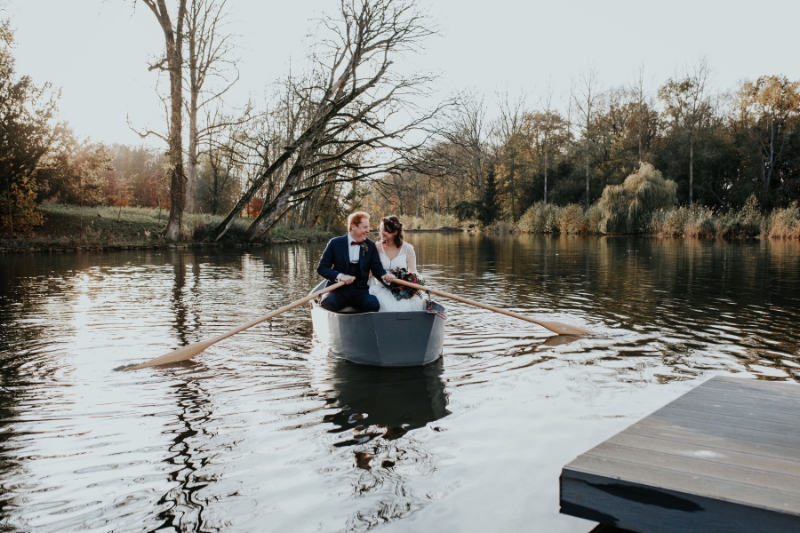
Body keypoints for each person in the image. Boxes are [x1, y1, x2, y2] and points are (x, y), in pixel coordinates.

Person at [317, 212, 396, 313]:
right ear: (353, 226)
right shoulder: (335, 243)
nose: (368, 230)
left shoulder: (370, 245)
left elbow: (377, 269)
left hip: (360, 291)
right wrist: (340, 276)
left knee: (373, 304)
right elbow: (322, 268)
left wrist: (385, 276)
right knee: (326, 303)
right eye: (365, 227)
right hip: (338, 290)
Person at [368, 215, 425, 312]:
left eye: (385, 230)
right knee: (382, 303)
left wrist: (411, 286)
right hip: (380, 287)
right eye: (381, 229)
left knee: (406, 304)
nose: (381, 232)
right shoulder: (376, 247)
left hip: (401, 288)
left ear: (395, 232)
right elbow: (370, 270)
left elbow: (413, 271)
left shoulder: (407, 248)